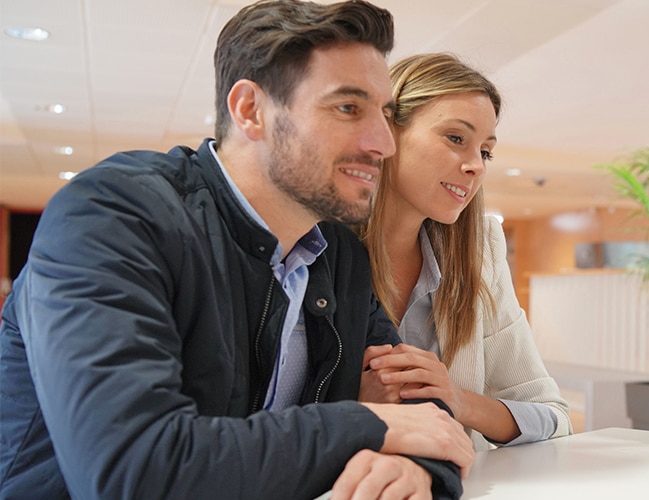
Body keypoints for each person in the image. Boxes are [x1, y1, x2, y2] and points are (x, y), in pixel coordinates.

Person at [0, 1, 473, 498]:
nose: (384, 142)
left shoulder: (339, 255)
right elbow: (133, 472)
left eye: (386, 114)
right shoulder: (113, 218)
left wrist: (416, 467)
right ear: (251, 110)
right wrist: (366, 426)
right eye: (348, 108)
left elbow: (420, 410)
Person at [353, 53, 572, 450]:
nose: (476, 166)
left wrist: (458, 400)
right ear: (387, 132)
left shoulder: (480, 249)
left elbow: (551, 415)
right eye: (456, 138)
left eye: (485, 151)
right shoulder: (314, 245)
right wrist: (354, 409)